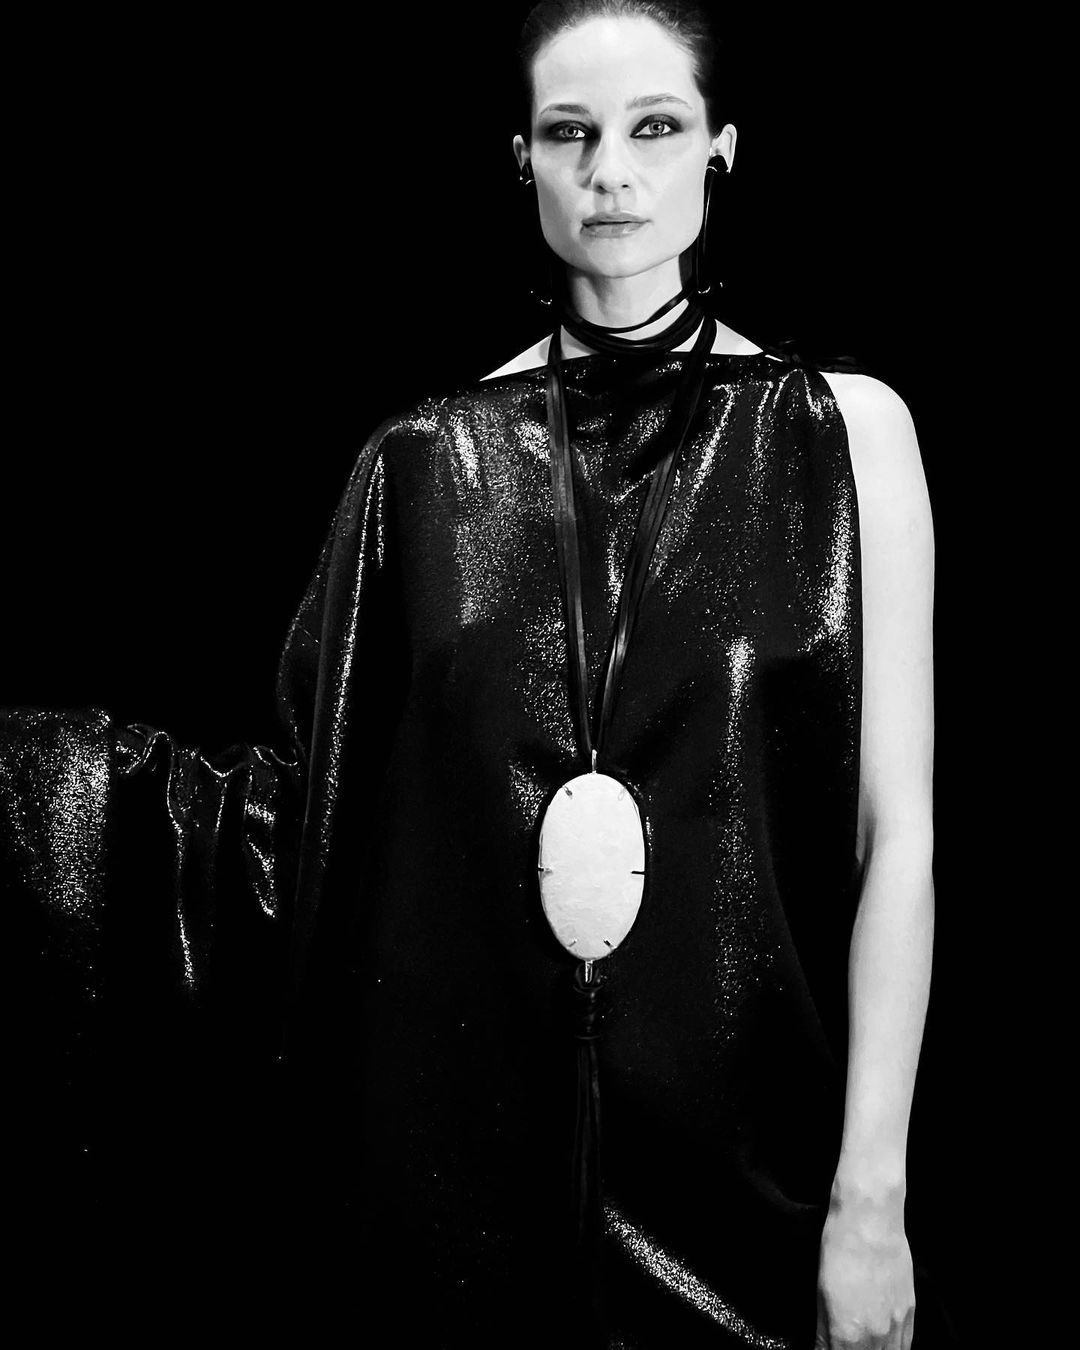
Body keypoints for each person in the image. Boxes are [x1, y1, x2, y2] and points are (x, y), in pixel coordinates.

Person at [2, 2, 951, 1347]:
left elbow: (896, 839)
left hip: (757, 1176)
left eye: (654, 128)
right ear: (524, 159)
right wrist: (49, 794)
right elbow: (308, 833)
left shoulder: (845, 435)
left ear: (720, 150)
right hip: (476, 1204)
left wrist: (871, 1198)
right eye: (571, 133)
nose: (611, 173)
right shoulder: (425, 464)